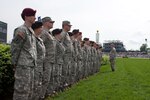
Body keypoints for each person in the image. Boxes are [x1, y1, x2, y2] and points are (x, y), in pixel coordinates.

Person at [11, 8, 37, 100]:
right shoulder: (21, 30)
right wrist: (14, 64)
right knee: (21, 91)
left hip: (30, 65)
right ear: (26, 16)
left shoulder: (31, 31)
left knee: (29, 90)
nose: (35, 17)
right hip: (23, 65)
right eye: (33, 15)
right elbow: (15, 48)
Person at [40, 17, 56, 97]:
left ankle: (45, 94)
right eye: (51, 22)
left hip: (50, 60)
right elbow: (39, 46)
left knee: (48, 79)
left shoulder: (49, 33)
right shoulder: (43, 32)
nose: (52, 23)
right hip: (45, 60)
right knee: (45, 79)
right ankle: (40, 96)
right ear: (45, 22)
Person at [31, 21, 46, 100]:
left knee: (39, 84)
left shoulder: (40, 39)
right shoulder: (32, 38)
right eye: (41, 27)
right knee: (34, 85)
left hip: (40, 65)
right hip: (35, 66)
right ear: (36, 28)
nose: (42, 29)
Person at [60, 20, 73, 87]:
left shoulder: (67, 33)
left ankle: (65, 83)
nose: (70, 27)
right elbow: (59, 43)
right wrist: (64, 51)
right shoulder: (63, 33)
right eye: (69, 26)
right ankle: (62, 85)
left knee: (67, 70)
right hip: (64, 56)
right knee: (64, 71)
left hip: (68, 56)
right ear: (65, 26)